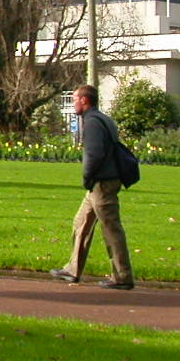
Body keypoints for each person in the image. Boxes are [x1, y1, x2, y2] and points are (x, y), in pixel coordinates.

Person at [50, 84, 135, 290]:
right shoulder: (103, 119)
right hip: (102, 181)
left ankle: (122, 276)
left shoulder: (93, 123)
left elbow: (93, 155)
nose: (73, 104)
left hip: (101, 183)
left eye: (74, 100)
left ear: (84, 101)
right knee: (81, 223)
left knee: (111, 228)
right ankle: (72, 269)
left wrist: (87, 177)